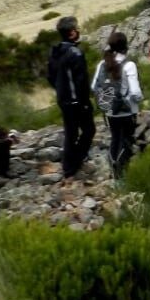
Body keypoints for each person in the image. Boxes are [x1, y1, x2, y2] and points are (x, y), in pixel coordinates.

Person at [47, 17, 95, 179]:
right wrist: (84, 102)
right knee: (89, 130)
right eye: (76, 28)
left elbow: (50, 77)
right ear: (72, 33)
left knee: (70, 132)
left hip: (63, 99)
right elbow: (81, 81)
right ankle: (74, 162)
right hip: (77, 101)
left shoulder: (54, 52)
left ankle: (68, 166)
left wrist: (61, 90)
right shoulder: (75, 53)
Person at [91, 31, 142, 178]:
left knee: (115, 138)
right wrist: (138, 101)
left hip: (109, 111)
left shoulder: (103, 63)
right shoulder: (129, 65)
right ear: (125, 46)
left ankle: (114, 171)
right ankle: (122, 173)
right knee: (127, 141)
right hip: (127, 111)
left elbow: (94, 86)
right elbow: (135, 92)